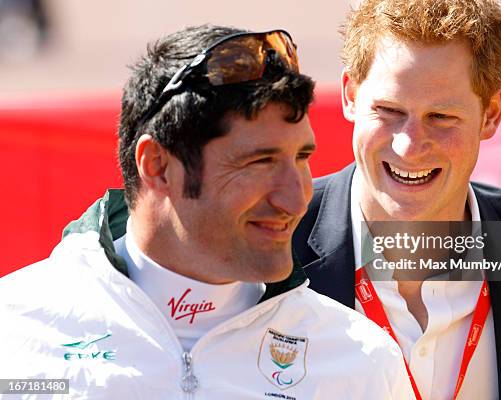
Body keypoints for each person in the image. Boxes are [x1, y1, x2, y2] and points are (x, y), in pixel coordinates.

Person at [0, 25, 413, 399]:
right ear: (158, 166)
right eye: (259, 162)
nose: (296, 198)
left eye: (302, 159)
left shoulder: (360, 362)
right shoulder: (15, 330)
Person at [293, 0, 501, 399]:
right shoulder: (270, 240)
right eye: (387, 110)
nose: (408, 145)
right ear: (349, 94)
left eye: (441, 117)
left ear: (491, 113)